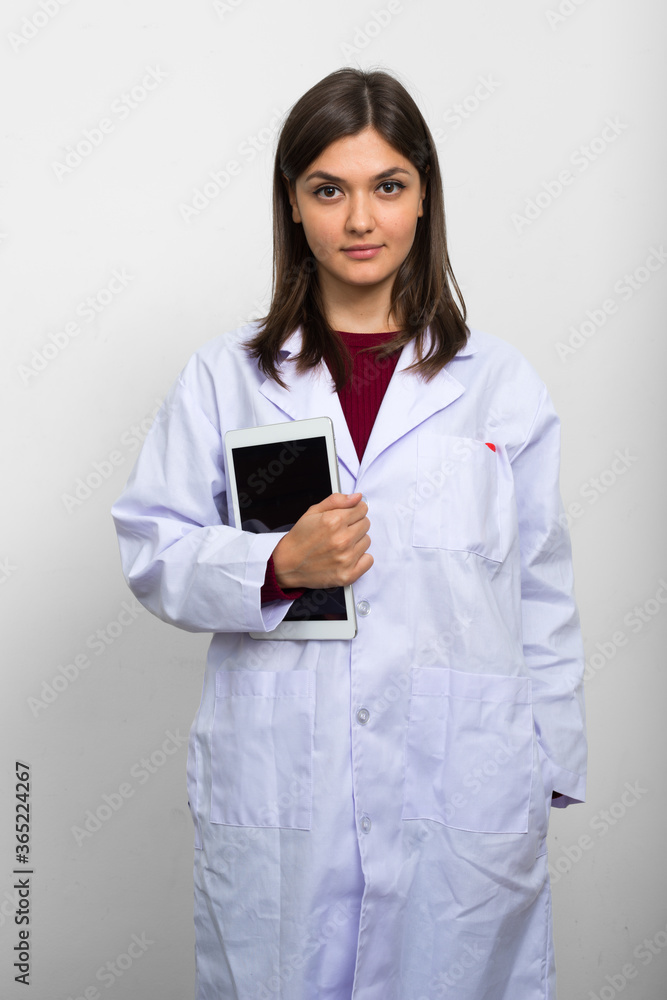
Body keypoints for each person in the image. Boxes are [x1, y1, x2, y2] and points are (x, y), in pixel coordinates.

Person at [112, 67, 587, 1000]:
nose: (359, 219)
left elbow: (539, 585)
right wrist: (276, 562)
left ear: (422, 198)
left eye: (387, 186)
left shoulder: (500, 387)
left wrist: (543, 765)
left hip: (462, 788)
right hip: (288, 786)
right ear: (293, 206)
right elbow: (152, 545)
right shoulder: (227, 378)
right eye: (328, 189)